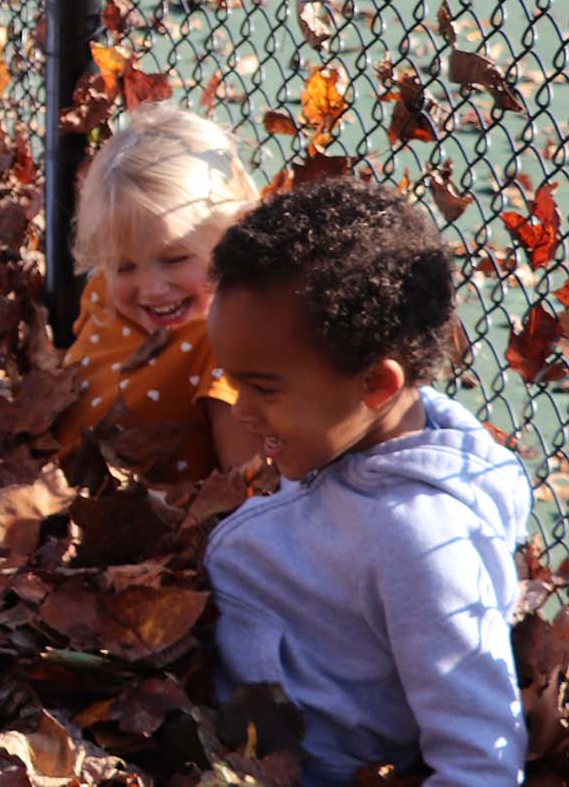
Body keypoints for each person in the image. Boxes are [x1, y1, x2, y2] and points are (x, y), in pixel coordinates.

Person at [204, 178, 529, 787]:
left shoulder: (420, 542)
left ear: (376, 385)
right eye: (229, 378)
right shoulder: (342, 433)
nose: (239, 409)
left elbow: (479, 759)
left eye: (262, 388)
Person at [52, 105, 259, 478]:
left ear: (235, 234)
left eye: (176, 258)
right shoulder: (103, 291)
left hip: (143, 527)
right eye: (124, 266)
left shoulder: (224, 348)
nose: (150, 288)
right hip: (50, 502)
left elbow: (244, 491)